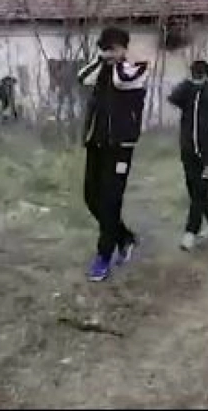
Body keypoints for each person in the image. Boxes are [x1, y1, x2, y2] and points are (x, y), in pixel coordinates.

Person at [77, 26, 150, 281]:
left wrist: (116, 61)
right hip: (96, 143)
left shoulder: (135, 69)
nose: (108, 52)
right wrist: (101, 60)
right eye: (105, 48)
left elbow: (121, 80)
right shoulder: (100, 71)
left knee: (110, 201)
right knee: (91, 197)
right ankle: (124, 236)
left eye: (113, 48)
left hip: (120, 147)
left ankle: (103, 256)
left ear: (123, 48)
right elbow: (81, 77)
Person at [167, 59, 208, 251]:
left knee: (200, 192)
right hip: (188, 152)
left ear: (207, 76)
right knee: (195, 191)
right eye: (194, 76)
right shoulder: (186, 92)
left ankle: (190, 232)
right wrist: (188, 84)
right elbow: (173, 97)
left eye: (200, 76)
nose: (197, 80)